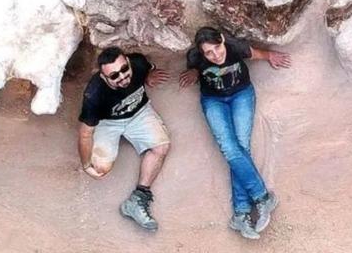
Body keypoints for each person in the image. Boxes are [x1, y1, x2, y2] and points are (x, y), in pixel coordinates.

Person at [179, 27, 291, 240]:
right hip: (213, 101)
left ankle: (240, 213)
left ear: (222, 40)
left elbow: (255, 53)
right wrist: (194, 72)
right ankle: (261, 197)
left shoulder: (233, 47)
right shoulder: (195, 57)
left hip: (241, 95)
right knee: (230, 149)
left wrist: (271, 56)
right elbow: (194, 68)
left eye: (217, 48)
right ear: (201, 53)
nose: (215, 55)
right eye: (208, 53)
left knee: (241, 146)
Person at [78, 47, 171, 231]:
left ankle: (137, 199)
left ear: (128, 62)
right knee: (100, 169)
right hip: (108, 123)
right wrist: (86, 164)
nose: (122, 77)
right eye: (114, 76)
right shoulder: (94, 94)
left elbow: (148, 67)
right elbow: (84, 133)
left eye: (124, 69)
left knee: (162, 147)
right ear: (104, 77)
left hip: (139, 112)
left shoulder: (138, 63)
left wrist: (148, 76)